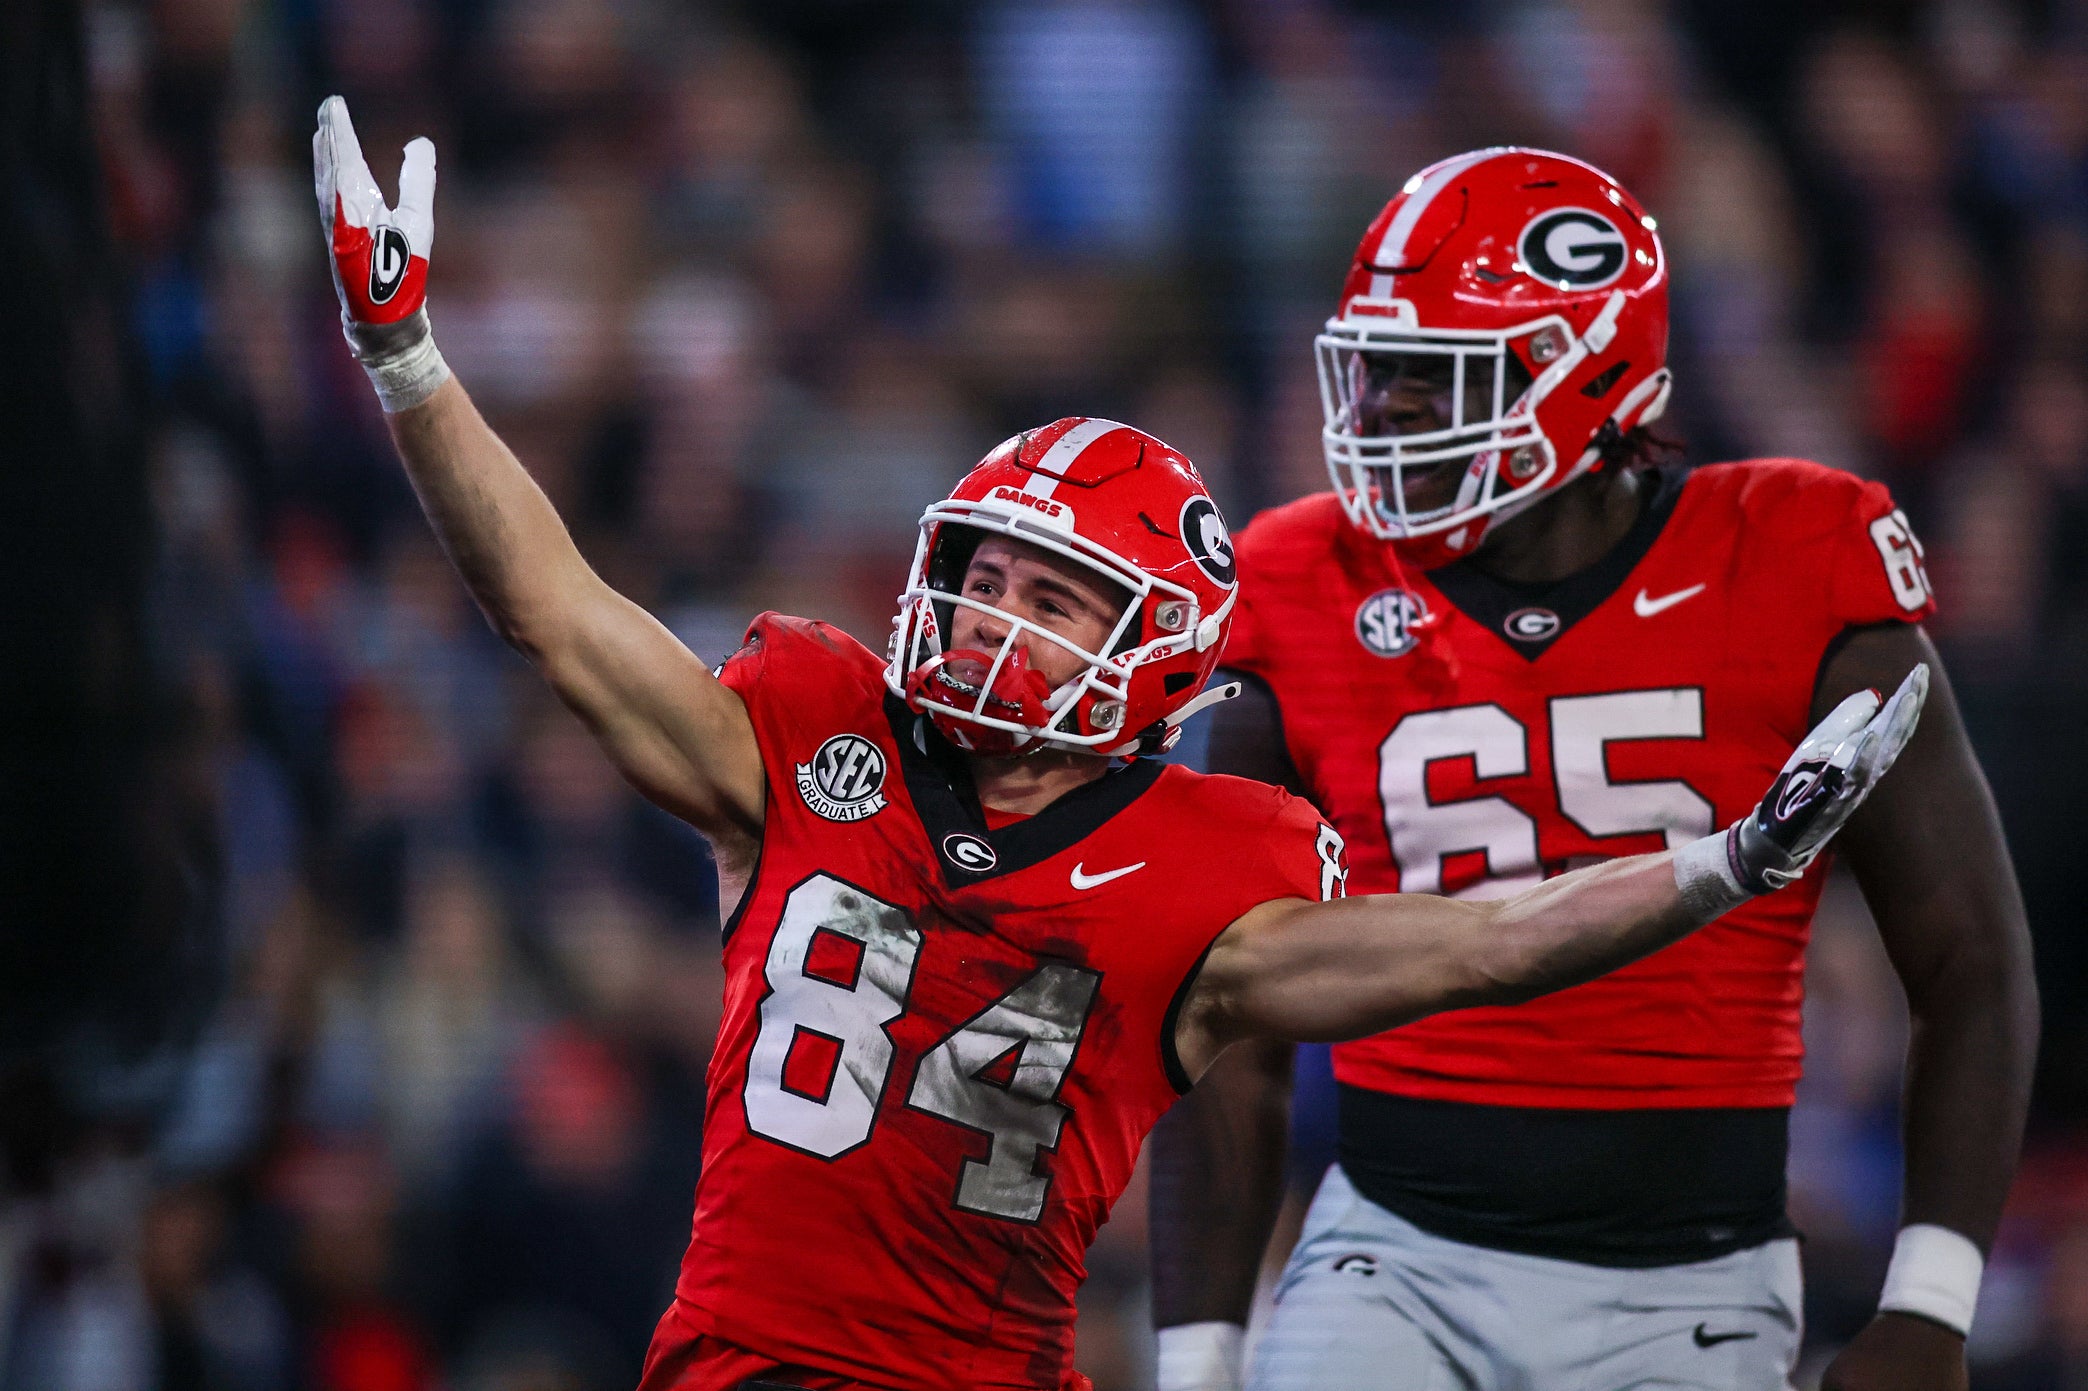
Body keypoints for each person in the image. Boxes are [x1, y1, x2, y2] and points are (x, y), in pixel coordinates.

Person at [313, 102, 1923, 1391]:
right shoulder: (810, 727)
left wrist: (1719, 864)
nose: (997, 613)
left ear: (1152, 646)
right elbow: (554, 609)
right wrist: (411, 364)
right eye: (986, 572)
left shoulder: (1208, 865)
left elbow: (1478, 945)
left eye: (1056, 593)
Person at [1147, 148, 2039, 1391]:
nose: (1385, 407)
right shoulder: (1299, 576)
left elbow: (1972, 956)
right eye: (1378, 364)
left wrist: (1930, 1302)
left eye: (1435, 374)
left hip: (1695, 1280)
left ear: (1592, 377)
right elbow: (1228, 1004)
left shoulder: (1792, 552)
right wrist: (1198, 1355)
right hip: (1389, 1260)